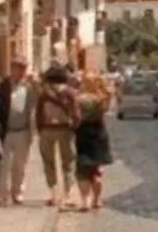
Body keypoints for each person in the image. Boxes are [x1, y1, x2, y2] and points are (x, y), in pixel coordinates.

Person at [34, 64, 82, 209]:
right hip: (65, 130)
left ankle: (53, 193)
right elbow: (76, 113)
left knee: (48, 162)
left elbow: (38, 113)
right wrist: (74, 127)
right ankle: (69, 193)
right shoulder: (69, 93)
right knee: (68, 162)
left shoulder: (44, 94)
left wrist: (40, 129)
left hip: (47, 130)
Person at [0, 59, 37, 206]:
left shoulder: (29, 87)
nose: (20, 72)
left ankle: (18, 192)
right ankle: (1, 194)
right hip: (6, 131)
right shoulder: (2, 86)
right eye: (17, 68)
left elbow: (33, 108)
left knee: (20, 165)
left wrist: (33, 131)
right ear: (11, 68)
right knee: (4, 164)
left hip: (23, 130)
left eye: (23, 69)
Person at [73, 74, 114, 211]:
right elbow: (109, 103)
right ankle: (96, 199)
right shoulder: (101, 99)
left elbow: (74, 116)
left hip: (83, 133)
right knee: (96, 170)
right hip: (99, 134)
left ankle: (85, 200)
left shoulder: (79, 99)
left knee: (82, 169)